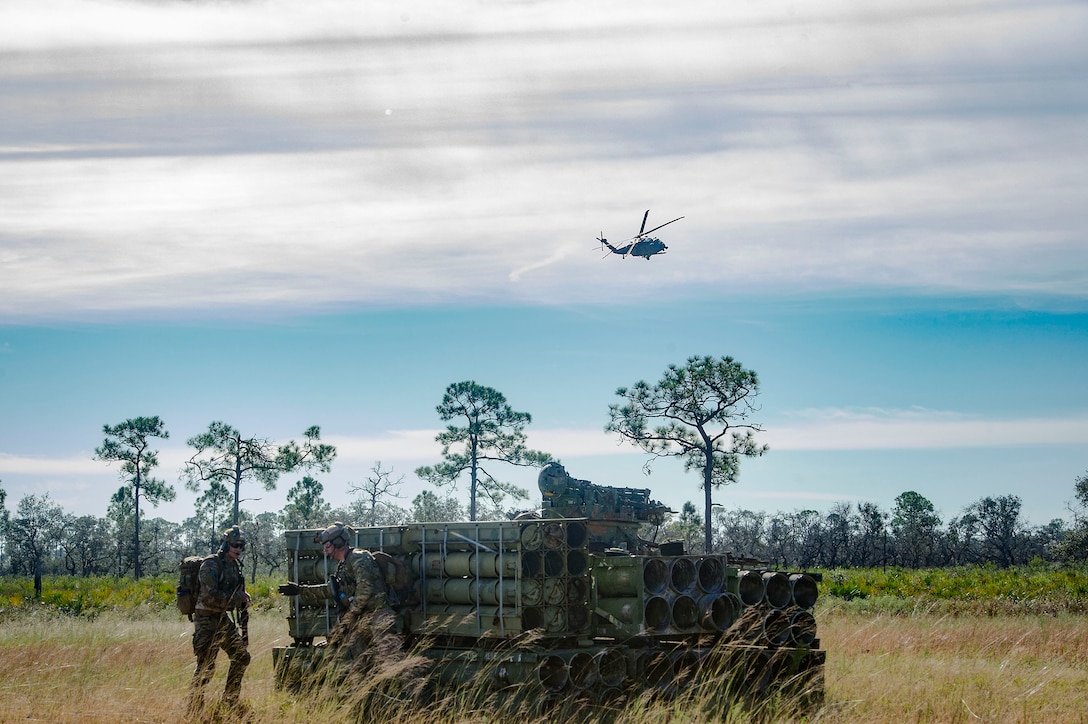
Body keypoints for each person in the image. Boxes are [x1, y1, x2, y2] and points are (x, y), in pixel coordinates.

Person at [279, 522, 400, 663]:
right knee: (360, 664)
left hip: (377, 616)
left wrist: (350, 614)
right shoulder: (343, 565)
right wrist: (300, 590)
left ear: (338, 543)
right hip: (362, 620)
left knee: (392, 659)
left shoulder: (358, 558)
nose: (325, 550)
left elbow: (365, 589)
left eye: (328, 546)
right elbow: (332, 590)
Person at [188, 525, 251, 716]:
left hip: (222, 619)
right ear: (225, 544)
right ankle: (194, 709)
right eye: (235, 545)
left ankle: (230, 702)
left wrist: (242, 597)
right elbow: (209, 596)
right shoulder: (211, 564)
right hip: (206, 620)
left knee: (242, 658)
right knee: (206, 666)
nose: (239, 549)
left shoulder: (234, 566)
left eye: (242, 545)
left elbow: (231, 594)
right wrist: (236, 598)